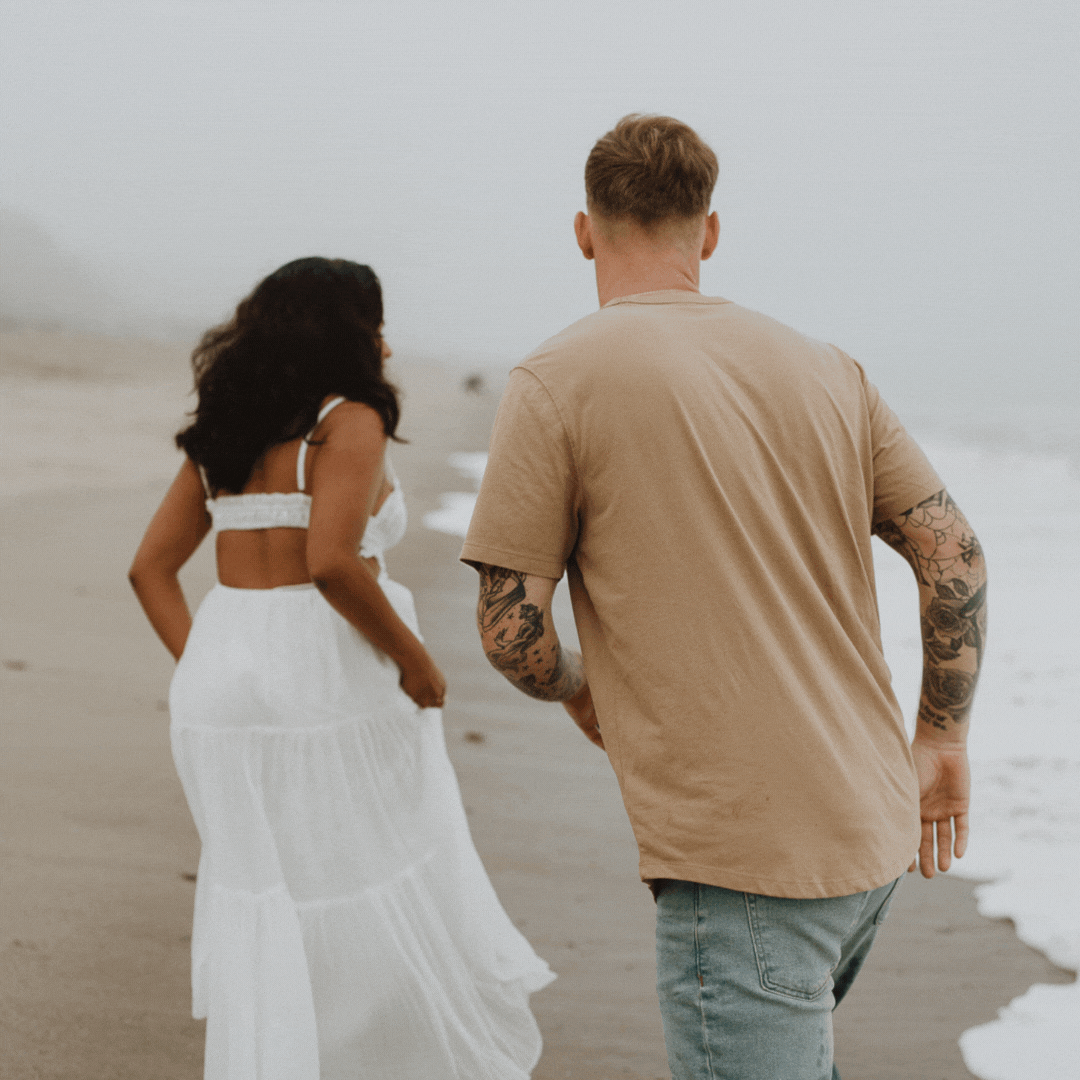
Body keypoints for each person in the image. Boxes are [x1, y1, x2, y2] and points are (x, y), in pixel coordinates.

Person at [460, 116, 986, 1079]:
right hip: (869, 830)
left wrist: (578, 686)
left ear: (584, 232)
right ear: (708, 231)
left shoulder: (555, 379)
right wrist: (942, 736)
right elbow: (953, 554)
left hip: (741, 864)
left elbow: (509, 631)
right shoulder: (829, 368)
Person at [129, 257, 553, 1080]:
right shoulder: (346, 420)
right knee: (361, 870)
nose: (385, 342)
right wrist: (416, 661)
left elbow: (151, 569)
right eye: (376, 323)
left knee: (266, 889)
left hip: (218, 693)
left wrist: (207, 666)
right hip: (325, 680)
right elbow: (330, 562)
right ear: (347, 331)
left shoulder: (225, 428)